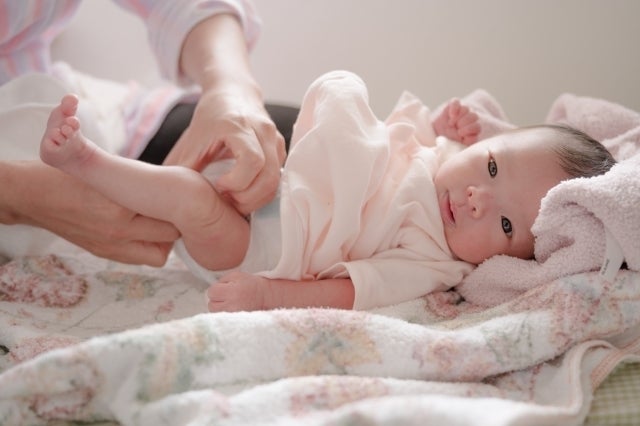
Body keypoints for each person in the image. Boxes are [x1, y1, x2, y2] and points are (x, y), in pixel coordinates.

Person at [38, 71, 616, 311]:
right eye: (491, 167)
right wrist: (441, 126)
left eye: (506, 224)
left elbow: (350, 291)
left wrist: (266, 295)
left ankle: (85, 161)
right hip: (283, 180)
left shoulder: (435, 261)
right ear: (486, 142)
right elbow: (400, 132)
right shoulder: (436, 152)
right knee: (198, 174)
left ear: (501, 261)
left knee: (190, 199)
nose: (476, 199)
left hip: (265, 248)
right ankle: (88, 160)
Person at [0, 0, 288, 265]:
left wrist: (230, 88)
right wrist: (17, 194)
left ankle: (87, 159)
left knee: (245, 167)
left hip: (61, 107)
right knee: (202, 202)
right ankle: (86, 159)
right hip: (26, 138)